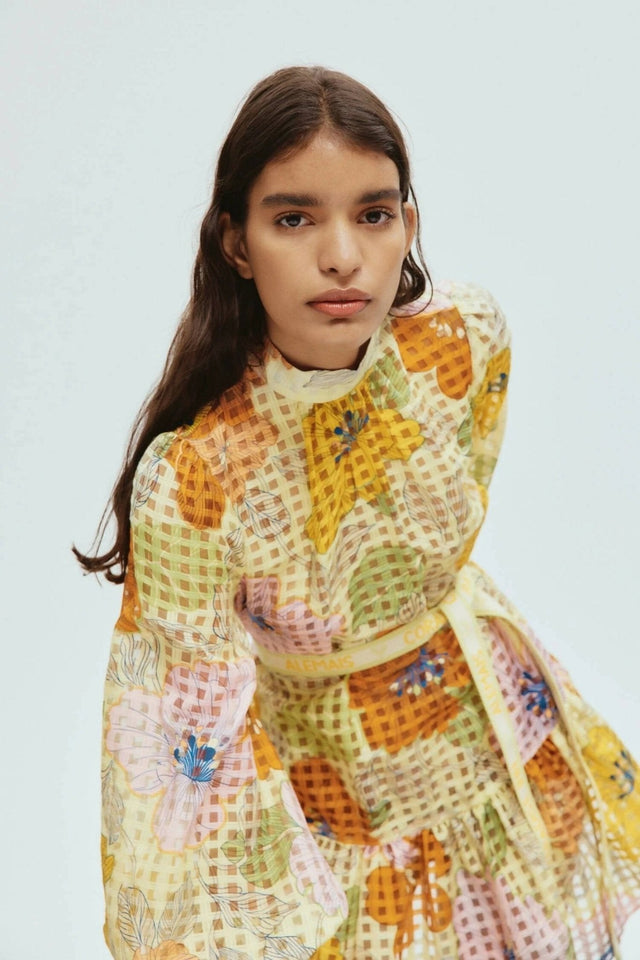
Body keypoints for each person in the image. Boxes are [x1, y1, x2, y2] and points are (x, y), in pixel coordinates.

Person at [76, 66, 640, 960]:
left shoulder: (462, 340)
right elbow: (185, 728)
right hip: (336, 804)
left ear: (408, 224)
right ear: (235, 242)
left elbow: (460, 494)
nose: (343, 256)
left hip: (499, 742)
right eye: (294, 219)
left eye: (374, 214)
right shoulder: (193, 478)